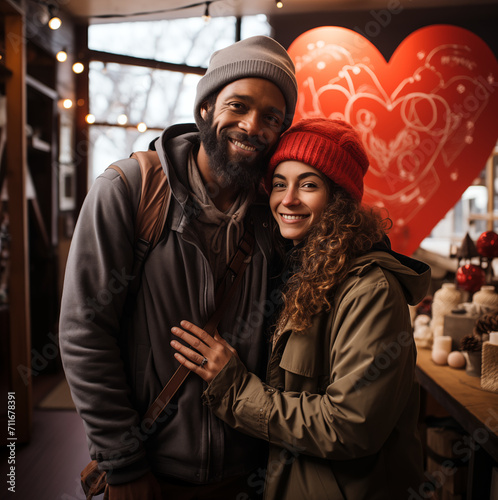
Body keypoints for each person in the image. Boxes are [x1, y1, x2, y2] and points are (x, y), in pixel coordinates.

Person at [59, 36, 297, 499]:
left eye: (272, 117)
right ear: (206, 108)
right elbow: (83, 334)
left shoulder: (275, 217)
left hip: (248, 475)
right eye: (239, 105)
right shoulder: (129, 191)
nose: (253, 126)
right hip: (148, 471)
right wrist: (123, 463)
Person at [171, 118, 432, 499]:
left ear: (339, 199)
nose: (288, 199)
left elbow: (351, 425)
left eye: (308, 184)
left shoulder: (370, 290)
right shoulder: (293, 268)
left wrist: (235, 387)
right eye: (279, 184)